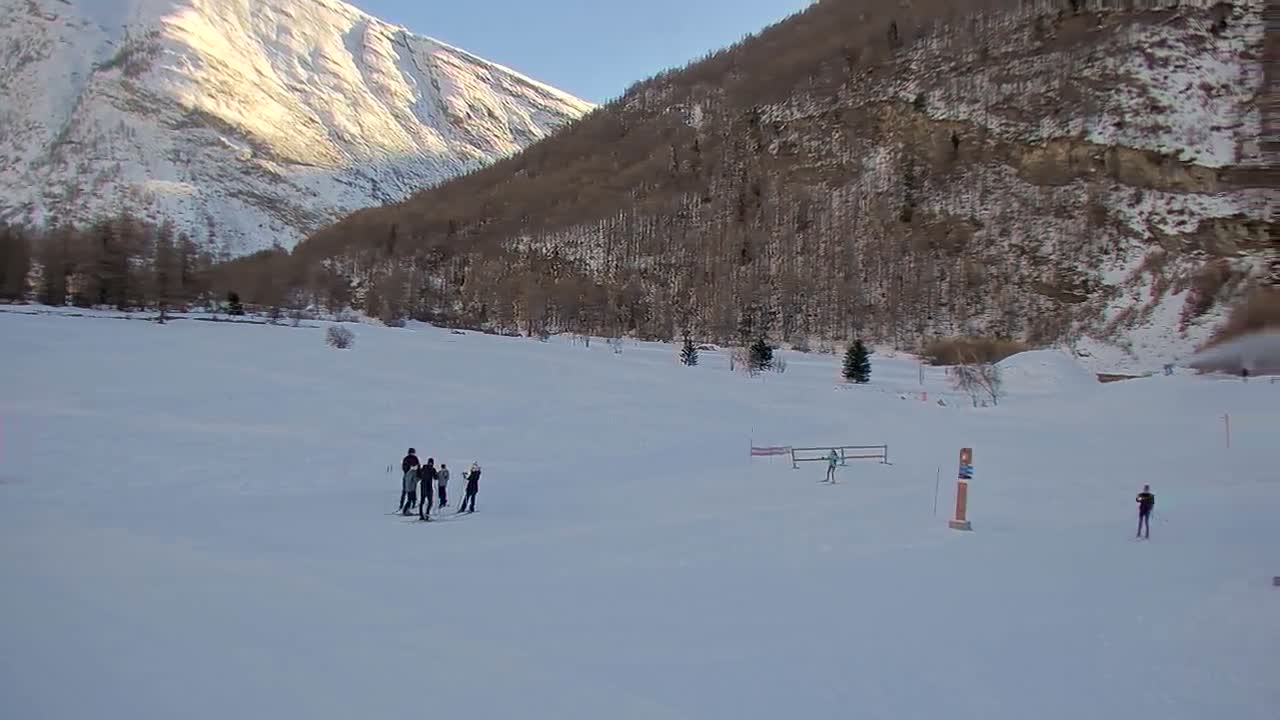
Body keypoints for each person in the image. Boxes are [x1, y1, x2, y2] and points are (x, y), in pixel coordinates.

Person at [399, 448, 419, 513]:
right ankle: (402, 505)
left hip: (413, 476)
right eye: (411, 452)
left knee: (412, 490)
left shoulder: (414, 458)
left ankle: (412, 504)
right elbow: (404, 467)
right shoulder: (407, 458)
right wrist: (409, 470)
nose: (412, 453)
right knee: (406, 490)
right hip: (408, 476)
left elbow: (418, 466)